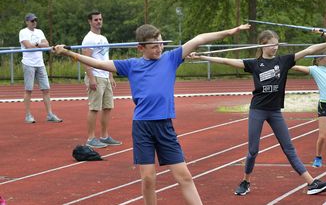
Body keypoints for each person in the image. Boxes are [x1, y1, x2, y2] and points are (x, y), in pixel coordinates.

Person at [54, 23, 251, 205]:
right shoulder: (131, 65)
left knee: (184, 176)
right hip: (142, 127)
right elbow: (98, 64)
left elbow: (199, 39)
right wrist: (69, 53)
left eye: (161, 43)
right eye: (154, 45)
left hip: (164, 126)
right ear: (141, 48)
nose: (159, 48)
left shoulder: (171, 58)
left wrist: (230, 32)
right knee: (148, 178)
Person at [190, 30, 326, 196]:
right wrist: (202, 57)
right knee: (253, 150)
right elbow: (226, 61)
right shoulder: (254, 64)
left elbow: (309, 50)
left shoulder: (284, 61)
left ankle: (312, 183)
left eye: (277, 43)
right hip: (258, 110)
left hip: (275, 112)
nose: (276, 47)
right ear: (263, 44)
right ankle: (245, 181)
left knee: (289, 148)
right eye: (272, 44)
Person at [82, 11, 121, 148]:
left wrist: (110, 75)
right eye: (96, 19)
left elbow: (106, 58)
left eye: (100, 19)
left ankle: (104, 136)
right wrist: (91, 78)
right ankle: (91, 138)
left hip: (105, 75)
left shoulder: (103, 38)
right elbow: (86, 60)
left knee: (108, 107)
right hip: (96, 76)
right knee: (94, 108)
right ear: (90, 21)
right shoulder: (89, 38)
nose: (99, 21)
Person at [19, 13, 62, 124]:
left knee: (46, 89)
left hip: (40, 63)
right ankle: (28, 115)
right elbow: (28, 46)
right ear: (27, 22)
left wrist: (37, 44)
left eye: (35, 20)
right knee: (29, 90)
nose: (34, 22)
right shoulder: (23, 32)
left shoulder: (40, 32)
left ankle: (50, 114)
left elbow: (46, 44)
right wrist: (39, 44)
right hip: (29, 64)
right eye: (32, 21)